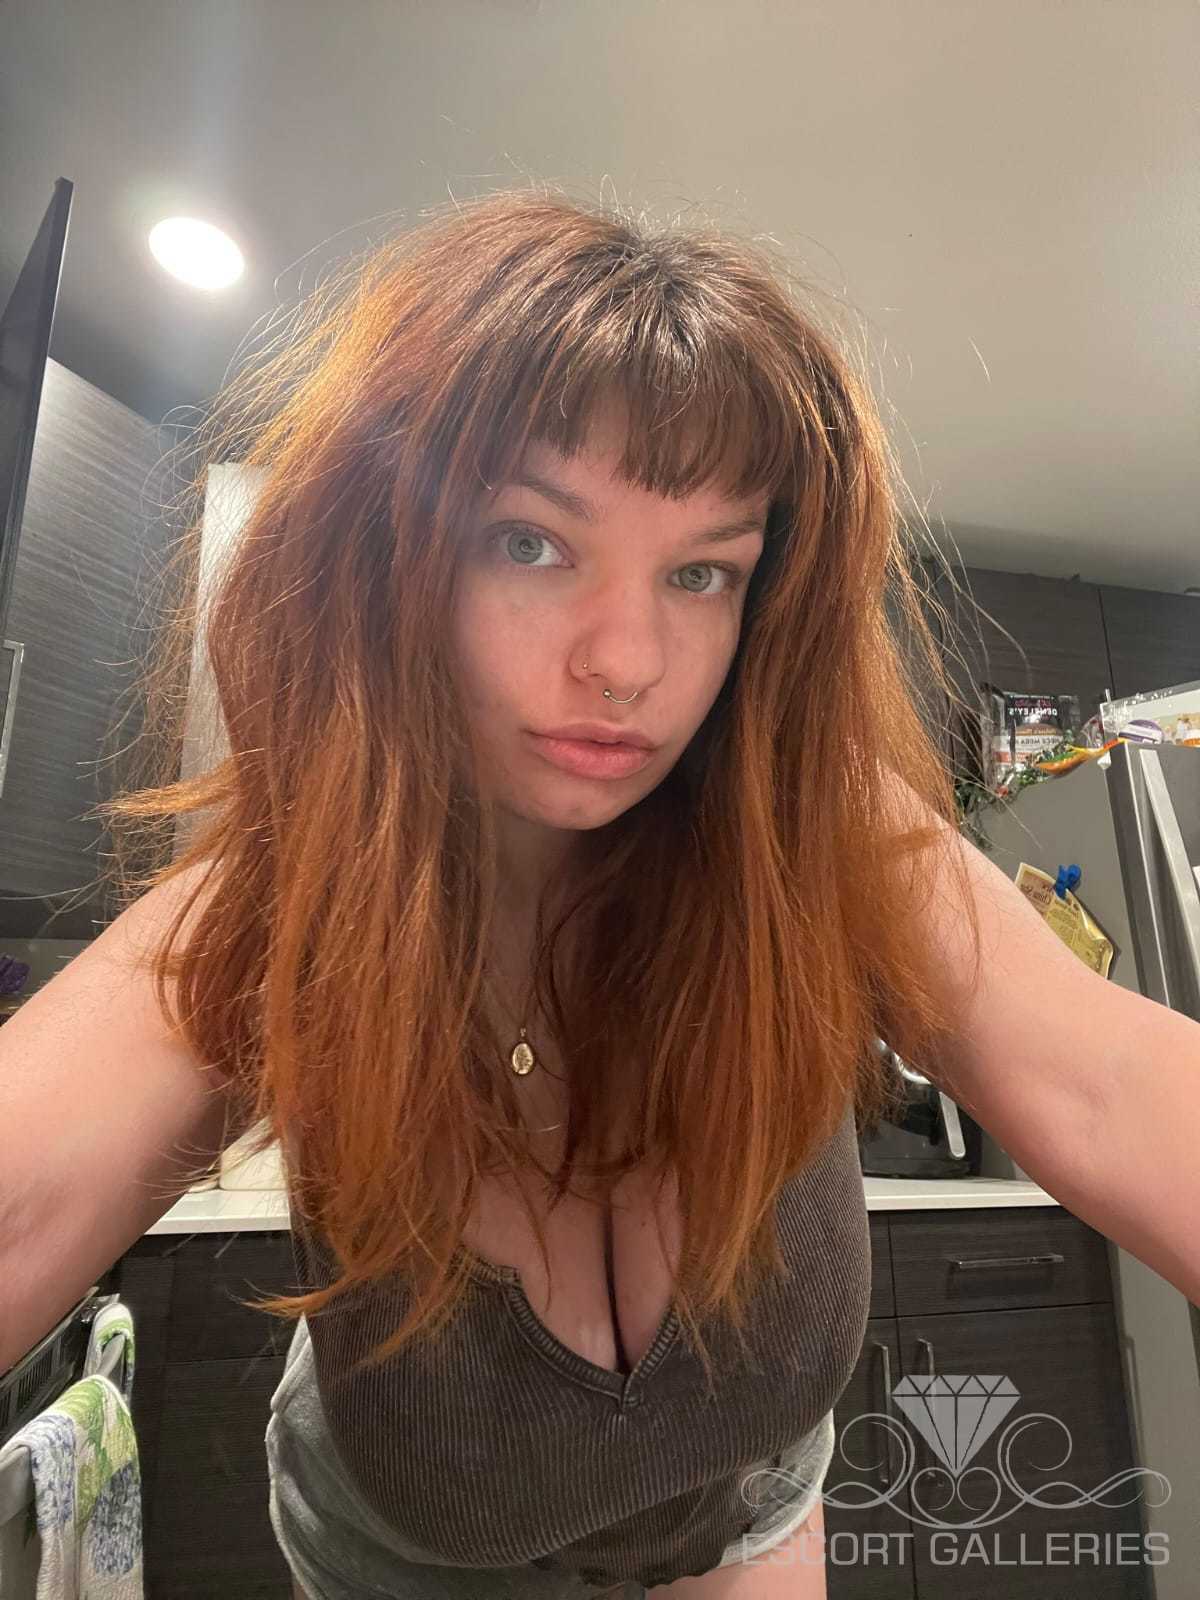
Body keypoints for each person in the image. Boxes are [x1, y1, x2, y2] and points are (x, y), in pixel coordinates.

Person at [3, 186, 1198, 1600]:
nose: (626, 660)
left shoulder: (815, 839)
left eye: (701, 572)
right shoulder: (289, 904)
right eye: (531, 541)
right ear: (389, 562)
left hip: (749, 1495)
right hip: (418, 1558)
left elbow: (1111, 1090)